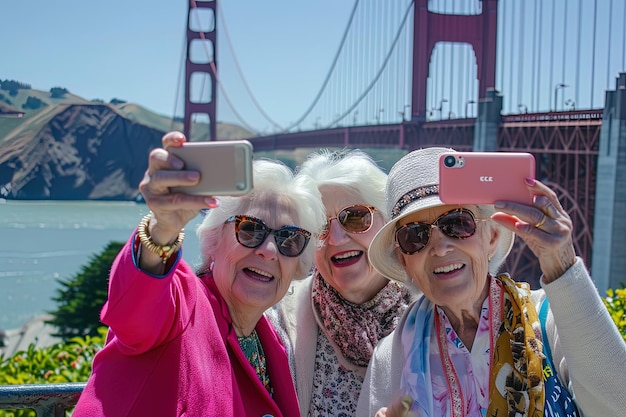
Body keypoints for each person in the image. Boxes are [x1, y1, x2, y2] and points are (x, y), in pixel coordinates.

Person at [356, 147, 626, 417]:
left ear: (492, 238)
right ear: (405, 261)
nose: (439, 248)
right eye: (414, 235)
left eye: (458, 223)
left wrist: (563, 266)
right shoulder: (391, 358)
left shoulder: (552, 321)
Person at [73, 131, 326, 417]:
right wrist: (162, 229)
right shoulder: (182, 306)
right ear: (213, 242)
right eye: (250, 229)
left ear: (299, 265)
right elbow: (135, 314)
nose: (269, 250)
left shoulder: (274, 347)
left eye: (289, 240)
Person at [267, 149, 416, 417]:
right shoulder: (277, 321)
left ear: (388, 225)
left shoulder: (433, 316)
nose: (335, 238)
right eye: (320, 226)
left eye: (356, 217)